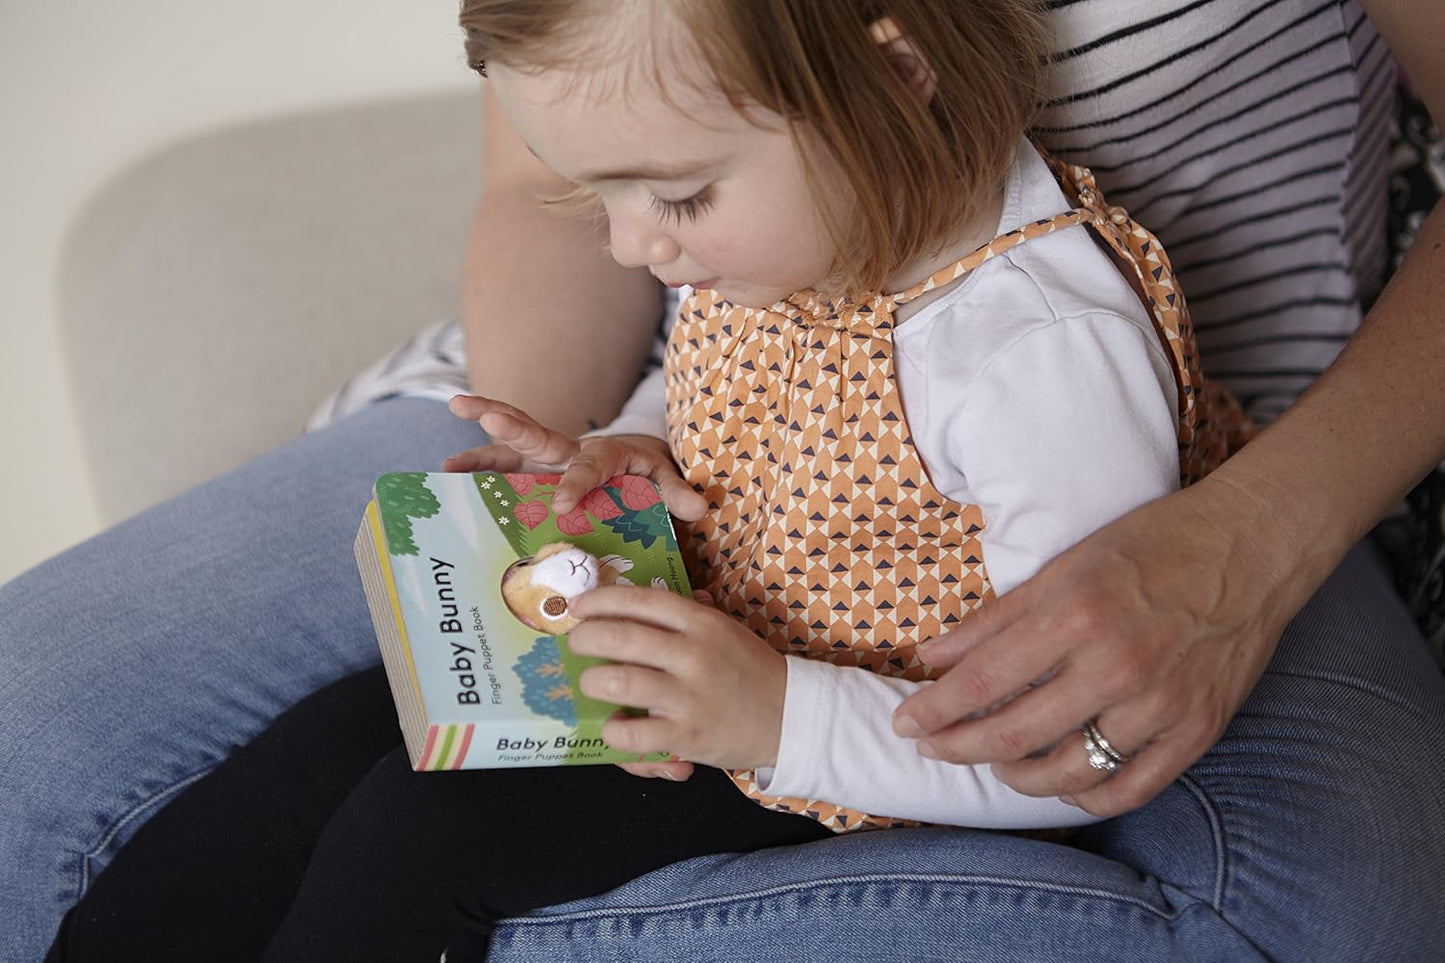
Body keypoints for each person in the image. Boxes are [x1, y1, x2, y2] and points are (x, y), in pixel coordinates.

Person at [8, 0, 1445, 961]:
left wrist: (770, 712)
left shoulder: (1032, 354)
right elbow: (699, 349)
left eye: (674, 196)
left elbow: (1066, 738)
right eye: (603, 200)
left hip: (841, 709)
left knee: (417, 831)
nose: (637, 251)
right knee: (317, 752)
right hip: (732, 610)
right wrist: (627, 450)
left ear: (894, 71)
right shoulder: (796, 226)